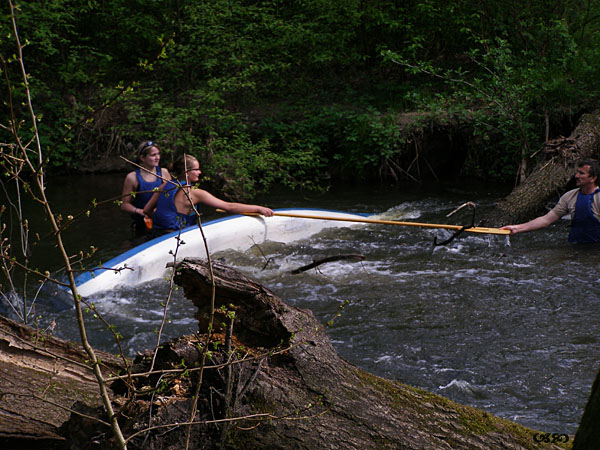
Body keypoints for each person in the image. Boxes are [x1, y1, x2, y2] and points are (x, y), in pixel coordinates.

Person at [144, 154, 273, 234]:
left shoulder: (164, 185)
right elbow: (229, 207)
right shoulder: (194, 193)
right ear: (186, 171)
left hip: (157, 234)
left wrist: (162, 217)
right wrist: (258, 208)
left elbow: (147, 210)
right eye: (196, 169)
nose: (200, 172)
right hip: (176, 237)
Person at [501, 158, 600, 243]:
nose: (576, 176)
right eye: (577, 172)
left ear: (593, 178)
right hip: (575, 246)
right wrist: (516, 228)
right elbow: (545, 220)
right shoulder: (569, 196)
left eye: (581, 173)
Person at [120, 140, 171, 236]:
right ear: (142, 158)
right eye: (153, 155)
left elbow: (173, 196)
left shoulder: (164, 173)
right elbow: (124, 205)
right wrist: (139, 211)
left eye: (158, 154)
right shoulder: (132, 177)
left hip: (164, 222)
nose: (157, 158)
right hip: (143, 224)